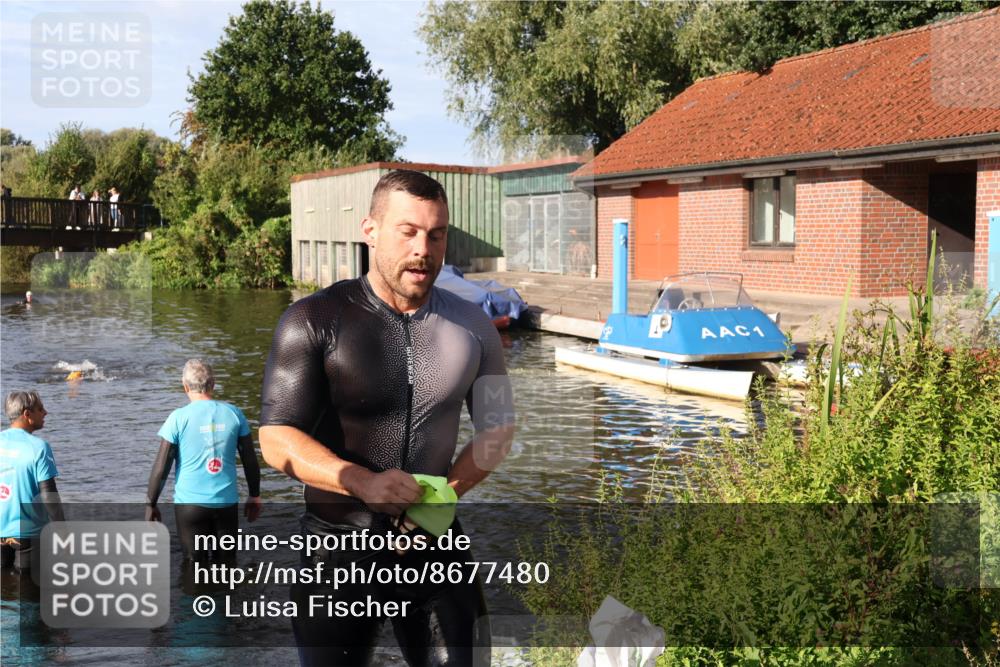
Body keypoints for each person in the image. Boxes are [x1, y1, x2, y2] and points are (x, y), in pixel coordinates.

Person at [260, 169, 515, 666]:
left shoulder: (474, 327)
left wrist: (443, 495)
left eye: (436, 234)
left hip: (434, 544)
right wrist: (361, 483)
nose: (425, 248)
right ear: (371, 231)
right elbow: (275, 438)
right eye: (409, 231)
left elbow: (499, 429)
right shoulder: (313, 320)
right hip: (336, 548)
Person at [146, 359, 262, 564]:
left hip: (190, 508)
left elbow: (161, 467)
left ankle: (194, 594)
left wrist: (151, 503)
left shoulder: (177, 418)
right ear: (213, 384)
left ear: (185, 386)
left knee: (193, 564)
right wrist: (254, 495)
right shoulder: (235, 414)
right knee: (227, 563)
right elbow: (250, 460)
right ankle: (225, 595)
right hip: (226, 505)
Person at [0, 391, 64, 572]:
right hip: (27, 533)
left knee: (3, 586)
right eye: (40, 409)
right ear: (27, 414)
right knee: (28, 590)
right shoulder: (39, 447)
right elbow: (48, 494)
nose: (45, 413)